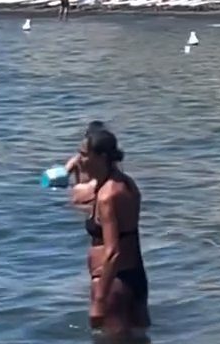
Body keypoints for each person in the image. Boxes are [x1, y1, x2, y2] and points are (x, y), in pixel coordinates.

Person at [78, 128, 150, 337]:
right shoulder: (126, 183)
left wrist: (99, 300)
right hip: (135, 278)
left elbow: (112, 252)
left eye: (84, 155)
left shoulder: (107, 196)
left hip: (113, 284)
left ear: (101, 157)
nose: (79, 160)